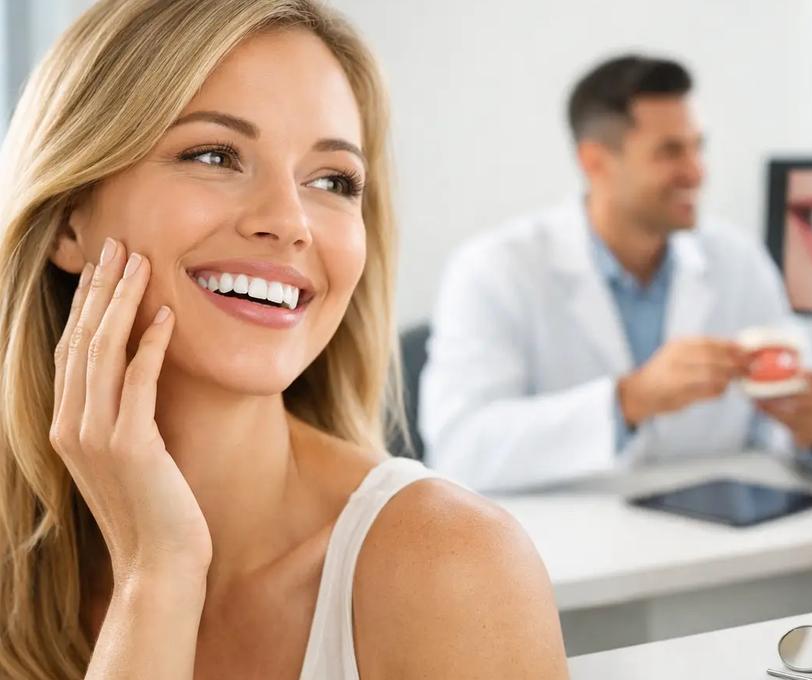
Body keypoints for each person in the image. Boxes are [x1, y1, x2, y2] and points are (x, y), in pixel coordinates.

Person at [0, 1, 568, 678]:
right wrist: (159, 578)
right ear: (68, 220)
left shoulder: (453, 566)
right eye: (214, 155)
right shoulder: (16, 561)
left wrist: (158, 575)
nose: (290, 221)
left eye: (332, 180)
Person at [420, 54, 812, 492]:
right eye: (670, 151)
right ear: (596, 162)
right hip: (565, 551)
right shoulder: (495, 270)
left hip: (716, 542)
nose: (697, 172)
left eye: (698, 146)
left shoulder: (738, 262)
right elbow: (461, 449)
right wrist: (631, 399)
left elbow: (787, 428)